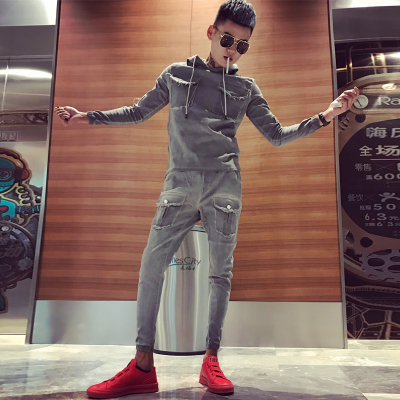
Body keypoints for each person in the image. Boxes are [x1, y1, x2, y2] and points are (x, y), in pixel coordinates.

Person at [55, 0, 359, 397]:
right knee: (151, 267)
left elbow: (277, 135)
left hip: (224, 187)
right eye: (228, 39)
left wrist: (327, 114)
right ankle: (142, 365)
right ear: (212, 33)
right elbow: (138, 111)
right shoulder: (176, 74)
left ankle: (211, 360)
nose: (233, 50)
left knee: (220, 274)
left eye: (242, 45)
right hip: (179, 184)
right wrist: (87, 116)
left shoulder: (246, 88)